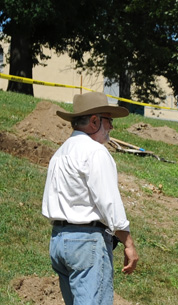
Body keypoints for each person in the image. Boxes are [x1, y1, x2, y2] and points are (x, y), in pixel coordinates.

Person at [42, 92, 139, 305]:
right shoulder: (95, 152)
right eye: (109, 120)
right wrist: (128, 243)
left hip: (59, 240)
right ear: (94, 121)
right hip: (86, 242)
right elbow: (110, 203)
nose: (112, 127)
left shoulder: (60, 153)